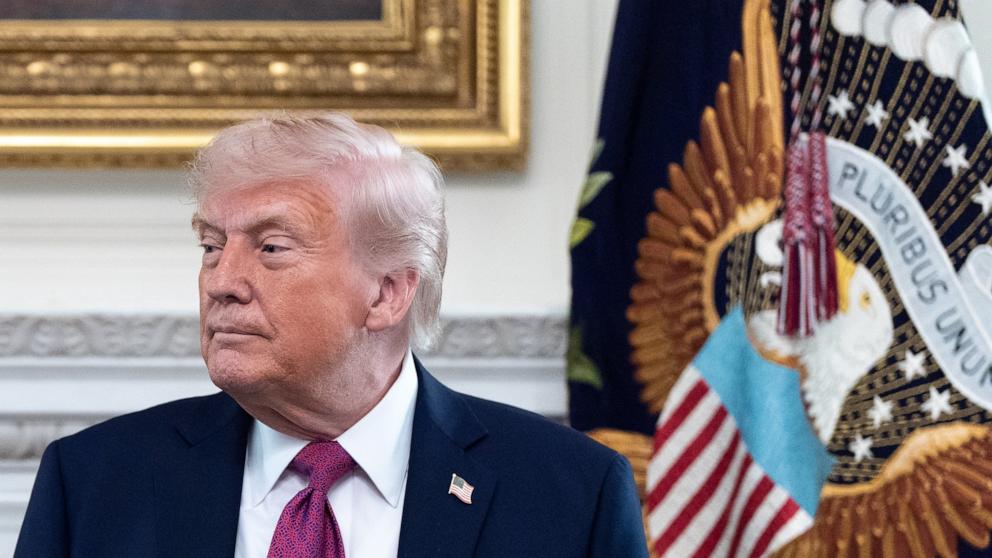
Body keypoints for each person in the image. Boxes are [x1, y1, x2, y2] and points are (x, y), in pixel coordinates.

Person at [14, 113, 647, 558]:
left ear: (387, 293)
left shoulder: (569, 494)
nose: (221, 281)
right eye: (211, 245)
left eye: (271, 247)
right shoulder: (96, 482)